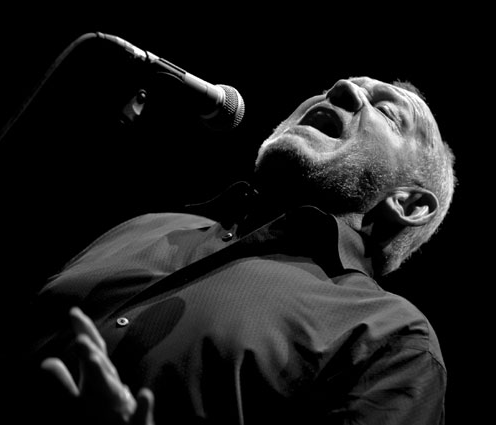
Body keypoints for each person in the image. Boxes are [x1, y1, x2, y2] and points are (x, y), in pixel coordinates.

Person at [24, 76, 456, 424]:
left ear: (410, 204)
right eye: (331, 86)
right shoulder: (146, 227)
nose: (340, 89)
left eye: (386, 112)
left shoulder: (388, 336)